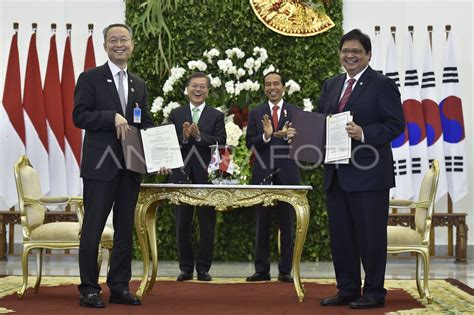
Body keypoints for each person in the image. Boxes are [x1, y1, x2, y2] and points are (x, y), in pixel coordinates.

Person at [73, 23, 162, 308]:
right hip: (101, 167)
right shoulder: (90, 78)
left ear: (132, 44)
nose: (119, 44)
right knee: (93, 228)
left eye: (124, 39)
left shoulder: (139, 83)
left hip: (130, 167)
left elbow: (144, 124)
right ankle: (89, 289)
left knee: (125, 229)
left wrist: (160, 154)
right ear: (105, 46)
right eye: (113, 40)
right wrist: (111, 117)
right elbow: (80, 116)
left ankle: (120, 286)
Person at [315, 29, 405, 309]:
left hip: (369, 175)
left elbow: (395, 125)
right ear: (340, 54)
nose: (350, 55)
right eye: (345, 51)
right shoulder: (331, 84)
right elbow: (321, 121)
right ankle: (348, 289)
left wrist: (363, 133)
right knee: (341, 237)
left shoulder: (382, 84)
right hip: (336, 174)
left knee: (370, 237)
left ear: (368, 55)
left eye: (356, 51)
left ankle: (375, 292)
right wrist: (301, 133)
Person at [168, 72, 226, 282]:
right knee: (182, 224)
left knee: (207, 224)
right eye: (194, 86)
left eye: (202, 86)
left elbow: (221, 143)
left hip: (206, 176)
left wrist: (199, 136)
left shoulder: (216, 116)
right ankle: (185, 268)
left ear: (208, 91)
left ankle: (203, 268)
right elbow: (167, 142)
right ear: (187, 89)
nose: (198, 90)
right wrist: (183, 138)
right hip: (181, 175)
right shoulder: (176, 114)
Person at [245, 71, 301, 283]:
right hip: (263, 173)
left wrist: (291, 138)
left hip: (288, 173)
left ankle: (285, 270)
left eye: (276, 83)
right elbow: (249, 142)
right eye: (268, 84)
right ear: (264, 88)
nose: (272, 87)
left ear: (284, 87)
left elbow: (305, 143)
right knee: (262, 223)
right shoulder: (256, 112)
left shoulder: (295, 112)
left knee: (287, 223)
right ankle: (261, 270)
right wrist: (266, 135)